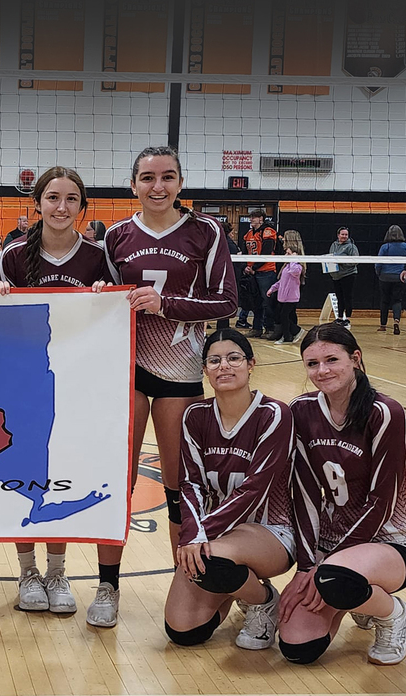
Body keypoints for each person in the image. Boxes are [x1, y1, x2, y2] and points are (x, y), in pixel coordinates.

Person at [93, 146, 237, 628]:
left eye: (168, 177)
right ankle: (107, 587)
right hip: (126, 367)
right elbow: (105, 305)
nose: (158, 186)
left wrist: (165, 303)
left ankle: (189, 583)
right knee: (118, 481)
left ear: (180, 183)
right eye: (148, 177)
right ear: (132, 184)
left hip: (180, 369)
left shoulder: (207, 231)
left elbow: (225, 302)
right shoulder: (115, 235)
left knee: (179, 486)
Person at [0, 166, 111, 615]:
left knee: (63, 473)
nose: (61, 207)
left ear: (82, 208)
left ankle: (57, 570)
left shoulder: (98, 257)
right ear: (37, 204)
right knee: (26, 475)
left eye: (70, 199)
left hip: (78, 384)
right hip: (23, 384)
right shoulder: (10, 256)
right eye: (52, 198)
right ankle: (26, 570)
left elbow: (113, 315)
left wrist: (108, 294)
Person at [278, 324, 406, 665]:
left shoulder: (385, 413)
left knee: (334, 577)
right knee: (297, 646)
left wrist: (323, 566)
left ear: (355, 359)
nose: (322, 371)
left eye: (332, 359)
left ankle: (393, 614)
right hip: (330, 547)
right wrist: (306, 565)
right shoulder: (301, 410)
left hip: (389, 541)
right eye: (312, 364)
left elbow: (382, 504)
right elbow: (306, 491)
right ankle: (353, 598)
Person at [165, 328, 294, 650]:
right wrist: (194, 532)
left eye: (234, 358)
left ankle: (262, 602)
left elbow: (255, 488)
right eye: (215, 360)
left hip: (270, 531)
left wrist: (197, 535)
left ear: (251, 364)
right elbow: (190, 482)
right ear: (205, 371)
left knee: (210, 561)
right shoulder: (196, 415)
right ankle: (240, 588)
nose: (224, 366)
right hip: (216, 538)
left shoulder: (274, 414)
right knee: (183, 630)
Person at [242, 209, 278, 338]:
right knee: (255, 301)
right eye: (251, 217)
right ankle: (256, 328)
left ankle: (270, 328)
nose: (251, 219)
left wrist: (254, 267)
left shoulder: (268, 232)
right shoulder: (248, 234)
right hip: (252, 272)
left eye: (254, 217)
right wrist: (246, 266)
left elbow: (267, 253)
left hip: (266, 271)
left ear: (261, 219)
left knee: (268, 301)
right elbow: (245, 253)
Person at [266, 230, 306, 345]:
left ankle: (292, 333)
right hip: (283, 296)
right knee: (281, 314)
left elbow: (296, 271)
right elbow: (281, 281)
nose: (282, 239)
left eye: (285, 238)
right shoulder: (287, 265)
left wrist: (292, 258)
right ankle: (287, 334)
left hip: (291, 296)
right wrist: (272, 288)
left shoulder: (296, 263)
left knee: (285, 315)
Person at [375, 225, 406, 336]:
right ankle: (396, 322)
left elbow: (378, 262)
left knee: (384, 300)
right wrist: (405, 272)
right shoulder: (404, 246)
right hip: (399, 277)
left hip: (385, 276)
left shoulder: (385, 247)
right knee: (397, 300)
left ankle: (383, 325)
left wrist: (379, 273)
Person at [326, 227, 359, 328]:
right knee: (339, 297)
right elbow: (330, 257)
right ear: (338, 235)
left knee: (347, 297)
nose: (344, 236)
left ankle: (348, 318)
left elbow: (355, 261)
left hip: (348, 274)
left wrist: (341, 261)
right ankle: (340, 318)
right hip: (336, 276)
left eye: (346, 235)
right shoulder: (334, 245)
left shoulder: (351, 247)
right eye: (342, 234)